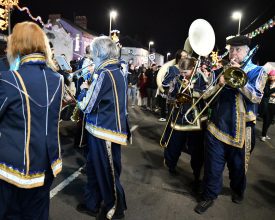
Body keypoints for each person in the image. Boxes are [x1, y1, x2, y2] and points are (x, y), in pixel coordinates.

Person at [195, 35, 270, 214]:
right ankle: (209, 195)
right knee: (213, 166)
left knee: (238, 168)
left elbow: (256, 97)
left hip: (243, 129)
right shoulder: (219, 71)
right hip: (217, 126)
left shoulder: (258, 71)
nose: (233, 53)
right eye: (231, 50)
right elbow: (206, 95)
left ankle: (237, 190)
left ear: (246, 52)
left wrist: (239, 82)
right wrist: (219, 83)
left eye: (238, 50)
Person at [0, 21, 63, 219]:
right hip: (48, 164)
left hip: (14, 167)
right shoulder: (58, 79)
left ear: (17, 45)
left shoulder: (8, 79)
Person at [76, 36, 129, 220]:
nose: (92, 57)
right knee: (94, 169)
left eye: (93, 53)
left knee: (107, 173)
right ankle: (92, 204)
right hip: (99, 129)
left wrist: (83, 89)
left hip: (104, 131)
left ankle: (115, 210)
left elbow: (87, 105)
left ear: (99, 53)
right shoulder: (116, 69)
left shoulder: (105, 72)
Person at [162, 57, 207, 193]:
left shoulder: (201, 78)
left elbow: (206, 95)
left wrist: (192, 90)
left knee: (197, 151)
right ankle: (171, 165)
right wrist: (174, 100)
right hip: (179, 117)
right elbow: (169, 95)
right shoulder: (176, 78)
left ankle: (197, 176)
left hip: (196, 120)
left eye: (185, 72)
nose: (183, 75)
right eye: (181, 72)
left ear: (193, 69)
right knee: (174, 145)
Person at [261, 69, 275, 141]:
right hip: (267, 103)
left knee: (270, 121)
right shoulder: (267, 84)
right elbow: (266, 93)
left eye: (273, 75)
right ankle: (263, 135)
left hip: (274, 104)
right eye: (270, 75)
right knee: (266, 119)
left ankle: (265, 134)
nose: (271, 77)